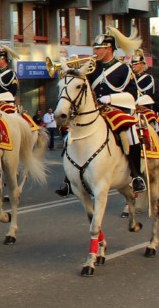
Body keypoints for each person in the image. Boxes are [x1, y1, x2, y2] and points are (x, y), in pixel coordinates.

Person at [56, 28, 144, 196]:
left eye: (98, 49)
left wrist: (111, 98)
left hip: (117, 109)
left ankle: (136, 175)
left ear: (109, 49)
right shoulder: (91, 67)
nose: (95, 52)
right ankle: (69, 179)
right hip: (95, 110)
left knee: (131, 132)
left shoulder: (124, 69)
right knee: (71, 135)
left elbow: (133, 95)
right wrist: (73, 69)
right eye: (95, 49)